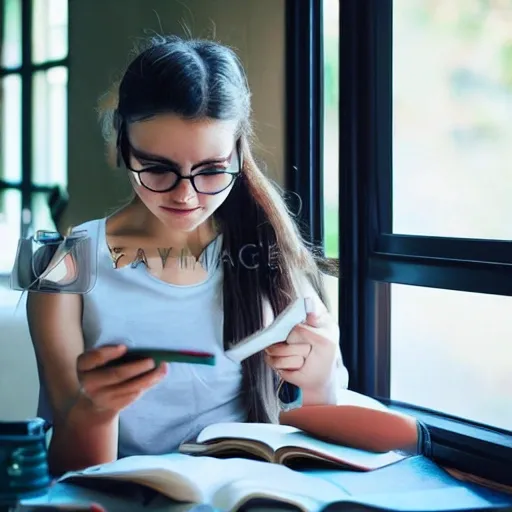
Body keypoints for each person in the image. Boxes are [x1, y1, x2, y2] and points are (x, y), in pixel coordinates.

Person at [26, 35, 348, 476]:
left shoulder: (265, 251)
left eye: (212, 171)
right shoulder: (66, 269)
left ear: (238, 153)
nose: (186, 196)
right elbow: (68, 473)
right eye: (158, 169)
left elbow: (318, 449)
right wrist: (94, 413)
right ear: (123, 147)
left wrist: (321, 382)